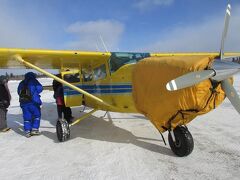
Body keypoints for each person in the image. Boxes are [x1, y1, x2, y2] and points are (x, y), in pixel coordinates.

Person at [17, 72, 43, 137]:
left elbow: (18, 92)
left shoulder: (22, 83)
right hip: (33, 102)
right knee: (37, 116)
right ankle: (34, 129)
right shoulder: (34, 81)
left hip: (24, 103)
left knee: (27, 117)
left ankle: (27, 131)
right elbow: (40, 88)